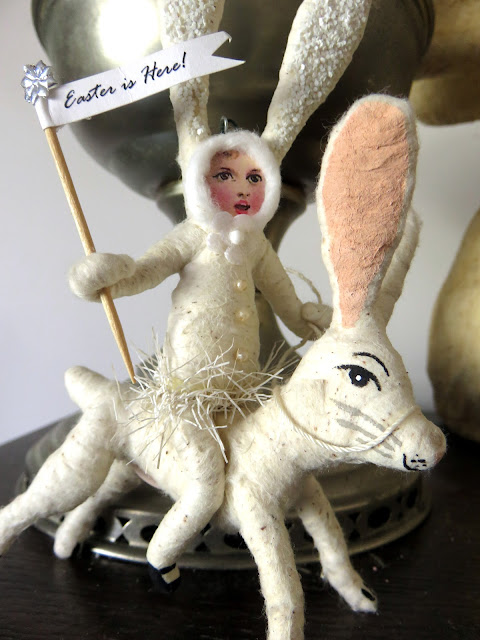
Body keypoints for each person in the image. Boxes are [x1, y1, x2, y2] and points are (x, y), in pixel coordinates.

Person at [68, 129, 331, 588]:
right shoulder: (190, 235)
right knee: (196, 482)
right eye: (226, 176)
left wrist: (315, 322)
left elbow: (287, 303)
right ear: (201, 181)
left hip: (242, 394)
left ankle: (320, 555)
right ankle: (160, 553)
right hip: (186, 394)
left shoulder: (256, 244)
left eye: (254, 177)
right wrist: (106, 277)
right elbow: (143, 272)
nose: (243, 189)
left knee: (270, 472)